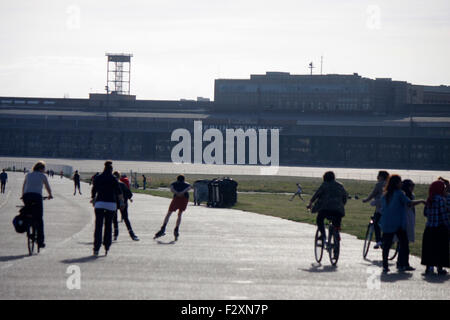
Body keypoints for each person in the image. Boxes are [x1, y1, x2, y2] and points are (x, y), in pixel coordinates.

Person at [380, 175, 425, 274]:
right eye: (400, 182)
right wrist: (421, 201)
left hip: (387, 222)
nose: (401, 184)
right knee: (404, 244)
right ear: (396, 183)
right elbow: (409, 203)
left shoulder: (386, 194)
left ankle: (385, 265)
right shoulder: (399, 193)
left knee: (386, 245)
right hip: (398, 223)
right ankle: (403, 264)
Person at [91, 161, 124, 256]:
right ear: (111, 169)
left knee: (98, 226)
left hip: (100, 203)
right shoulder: (113, 179)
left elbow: (94, 189)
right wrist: (121, 202)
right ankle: (107, 246)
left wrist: (93, 198)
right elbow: (119, 192)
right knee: (108, 226)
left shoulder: (98, 177)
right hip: (111, 204)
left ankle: (96, 248)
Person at [307, 171, 348, 242]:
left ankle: (323, 235)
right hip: (338, 210)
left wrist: (310, 204)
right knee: (337, 221)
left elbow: (316, 195)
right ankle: (337, 233)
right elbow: (345, 197)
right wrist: (341, 205)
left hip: (325, 209)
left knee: (319, 219)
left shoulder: (324, 185)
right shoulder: (340, 185)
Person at [21, 161, 53, 249]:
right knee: (39, 219)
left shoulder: (28, 174)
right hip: (37, 197)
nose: (44, 170)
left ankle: (28, 224)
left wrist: (22, 195)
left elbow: (24, 186)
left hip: (26, 196)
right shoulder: (43, 176)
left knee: (28, 211)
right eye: (44, 169)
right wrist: (50, 195)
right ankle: (40, 241)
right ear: (41, 168)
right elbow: (47, 186)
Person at [421, 180, 450, 276]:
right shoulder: (441, 199)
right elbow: (443, 214)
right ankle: (440, 268)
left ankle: (429, 267)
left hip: (429, 227)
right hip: (440, 228)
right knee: (440, 249)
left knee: (429, 248)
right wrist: (447, 226)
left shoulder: (429, 198)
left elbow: (425, 213)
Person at [154, 175, 192, 241]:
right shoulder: (187, 184)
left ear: (177, 179)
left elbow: (171, 188)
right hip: (185, 198)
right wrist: (182, 192)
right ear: (184, 179)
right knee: (180, 214)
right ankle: (176, 229)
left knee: (169, 213)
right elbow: (189, 188)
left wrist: (177, 193)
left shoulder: (174, 183)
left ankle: (163, 228)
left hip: (176, 198)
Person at [362, 170, 389, 249]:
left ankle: (378, 241)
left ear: (381, 177)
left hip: (380, 208)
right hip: (390, 209)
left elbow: (373, 194)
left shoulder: (379, 184)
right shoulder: (390, 184)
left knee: (376, 223)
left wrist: (366, 200)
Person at [113, 171, 139, 241]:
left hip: (114, 203)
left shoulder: (111, 185)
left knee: (114, 219)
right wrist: (127, 198)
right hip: (123, 203)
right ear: (119, 177)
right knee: (126, 219)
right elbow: (130, 194)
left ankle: (115, 234)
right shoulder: (122, 184)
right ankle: (132, 234)